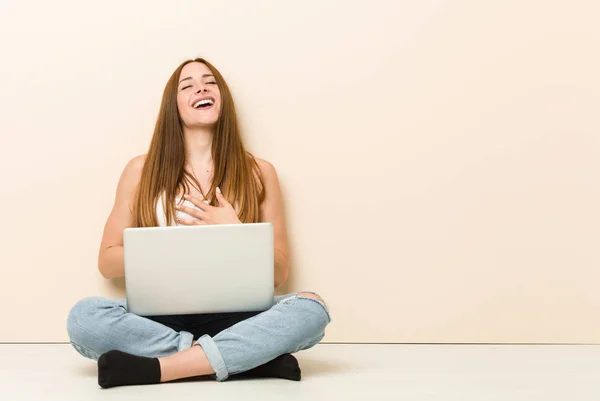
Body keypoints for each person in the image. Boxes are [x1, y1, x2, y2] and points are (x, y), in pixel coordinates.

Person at [66, 58, 331, 388]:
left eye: (209, 82)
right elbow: (107, 261)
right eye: (187, 85)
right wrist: (170, 249)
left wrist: (236, 234)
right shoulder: (140, 170)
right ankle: (243, 359)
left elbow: (279, 274)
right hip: (161, 318)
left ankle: (161, 368)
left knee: (312, 309)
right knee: (84, 318)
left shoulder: (260, 172)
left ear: (222, 97)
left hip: (238, 316)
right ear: (173, 106)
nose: (201, 88)